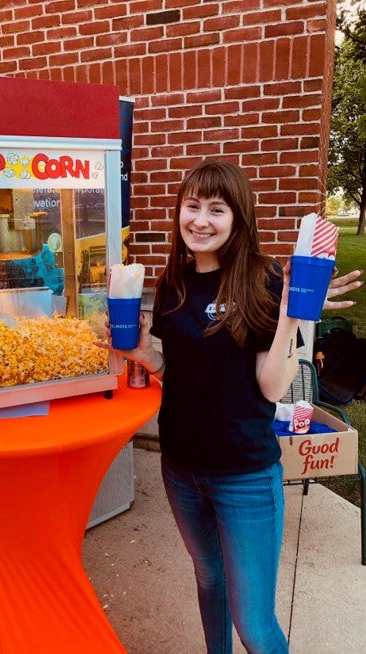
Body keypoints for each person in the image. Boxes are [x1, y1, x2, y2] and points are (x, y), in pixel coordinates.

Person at [101, 159, 363, 654]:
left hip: (244, 475)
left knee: (255, 625)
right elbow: (178, 370)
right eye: (192, 205)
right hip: (180, 468)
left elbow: (269, 388)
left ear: (238, 218)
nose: (200, 220)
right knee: (208, 581)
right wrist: (142, 354)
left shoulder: (264, 280)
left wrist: (291, 317)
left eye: (216, 209)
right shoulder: (171, 281)